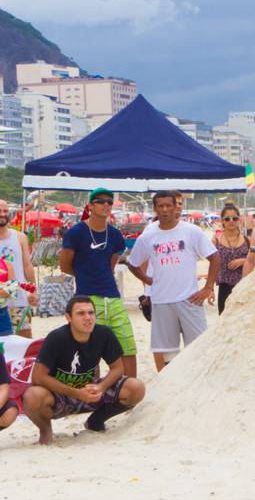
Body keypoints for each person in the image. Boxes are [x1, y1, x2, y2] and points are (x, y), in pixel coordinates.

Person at [21, 294, 148, 445]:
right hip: (61, 396)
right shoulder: (56, 338)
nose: (87, 317)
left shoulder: (104, 333)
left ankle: (96, 420)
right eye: (81, 313)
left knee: (136, 387)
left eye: (91, 313)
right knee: (32, 396)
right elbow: (38, 377)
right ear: (68, 317)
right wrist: (76, 393)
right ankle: (45, 431)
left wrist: (101, 387)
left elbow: (118, 368)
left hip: (92, 391)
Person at [127, 191, 220, 372]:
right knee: (168, 355)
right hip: (161, 301)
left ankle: (197, 388)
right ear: (154, 208)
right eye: (160, 206)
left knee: (199, 349)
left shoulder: (191, 231)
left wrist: (208, 287)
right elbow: (132, 264)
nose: (165, 210)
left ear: (175, 207)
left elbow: (215, 257)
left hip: (190, 299)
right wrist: (148, 280)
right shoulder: (148, 235)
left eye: (169, 205)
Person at [58, 188, 138, 379]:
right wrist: (85, 275)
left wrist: (99, 274)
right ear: (90, 206)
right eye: (101, 201)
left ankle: (129, 389)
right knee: (88, 348)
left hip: (112, 296)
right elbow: (65, 265)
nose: (106, 205)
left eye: (109, 202)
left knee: (127, 344)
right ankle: (91, 391)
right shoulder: (76, 232)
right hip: (87, 297)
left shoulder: (115, 234)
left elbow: (111, 264)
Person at [0, 198, 36, 337]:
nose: (3, 214)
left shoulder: (20, 237)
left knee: (24, 339)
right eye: (0, 211)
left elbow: (27, 265)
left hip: (19, 300)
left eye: (5, 211)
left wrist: (33, 290)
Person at [211, 202, 251, 315]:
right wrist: (210, 289)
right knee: (224, 323)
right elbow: (212, 267)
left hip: (244, 288)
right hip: (224, 288)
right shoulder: (216, 241)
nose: (231, 221)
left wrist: (244, 261)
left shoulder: (247, 240)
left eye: (234, 218)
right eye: (227, 219)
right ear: (222, 221)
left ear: (239, 220)